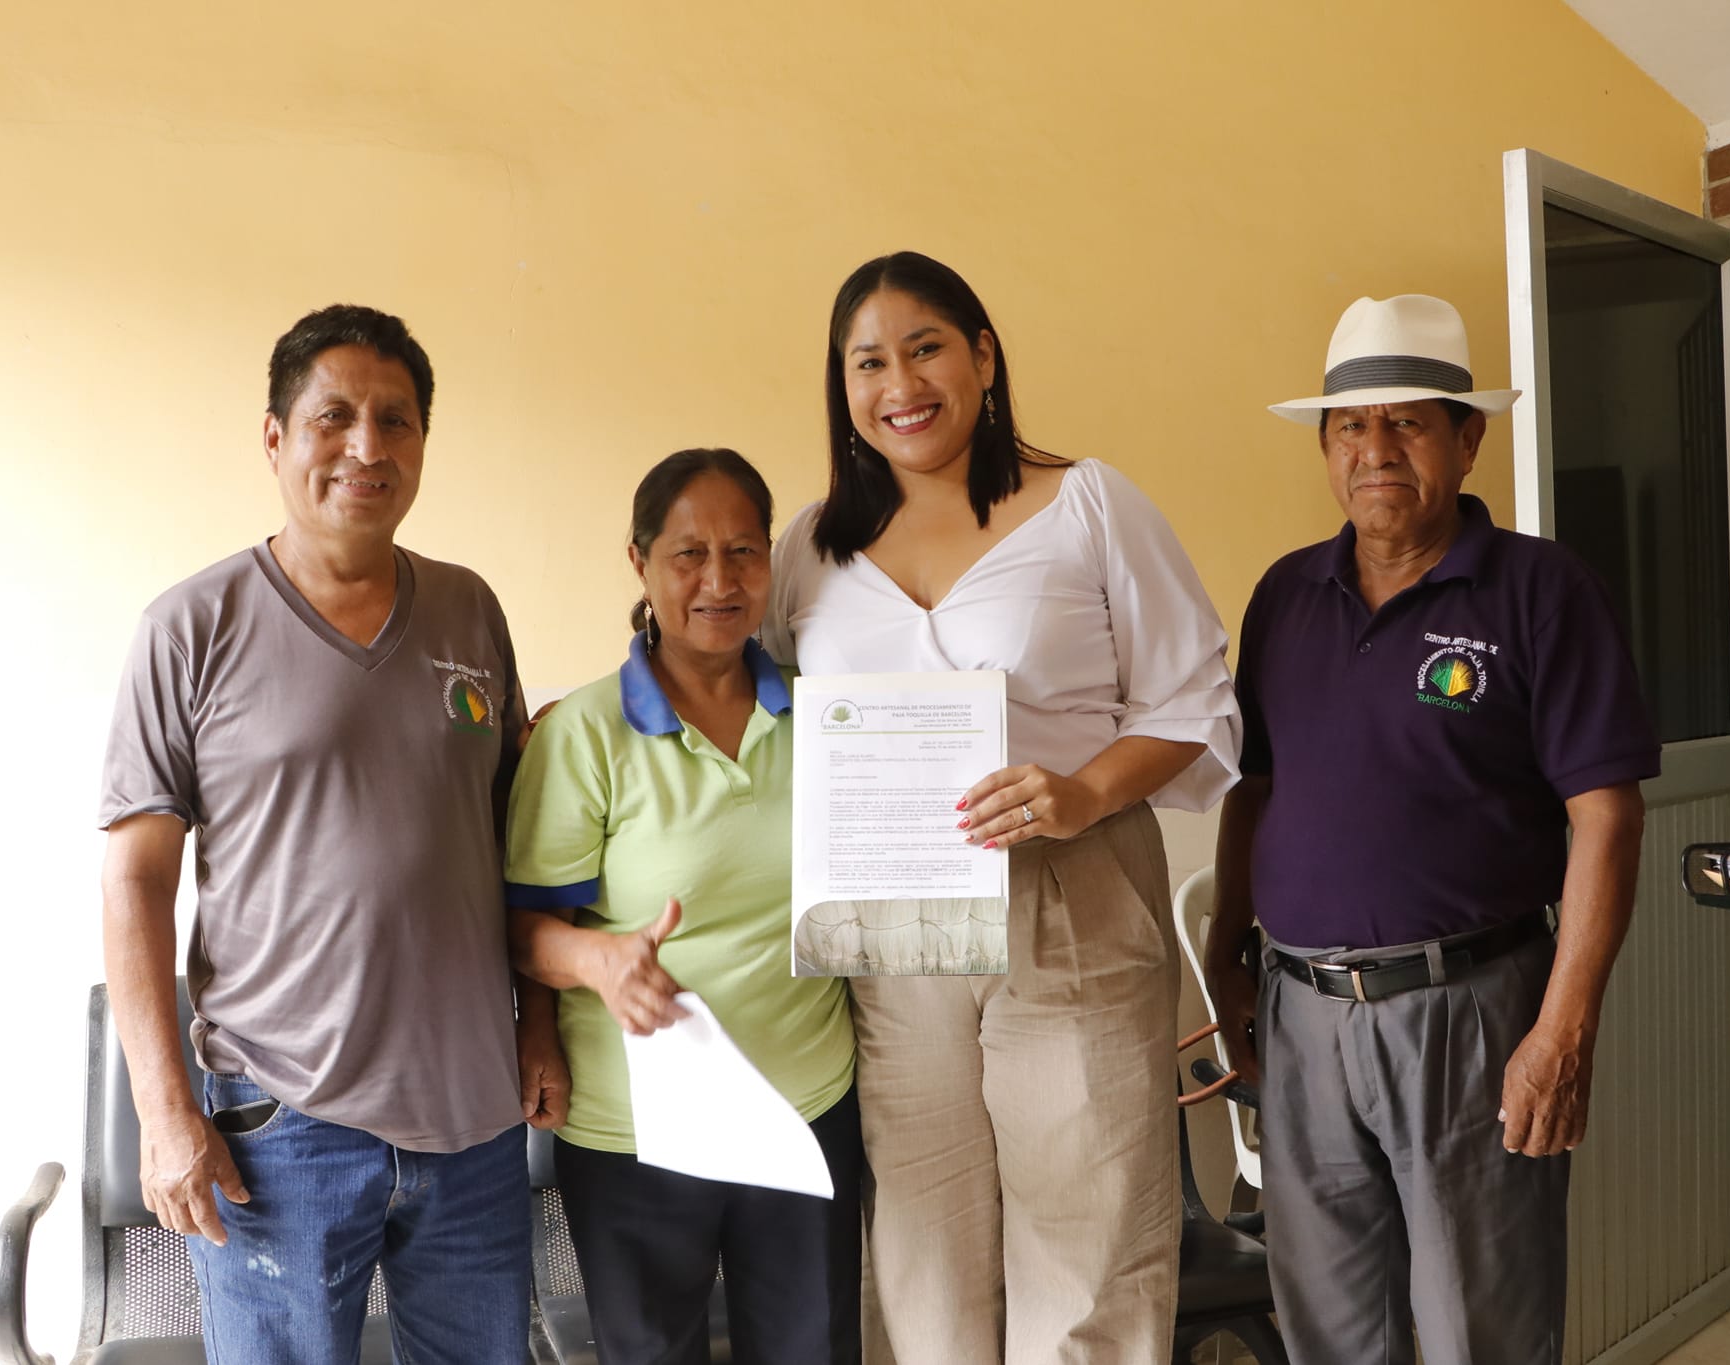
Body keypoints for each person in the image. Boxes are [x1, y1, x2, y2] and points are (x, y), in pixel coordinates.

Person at [765, 251, 1241, 1365]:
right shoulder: (811, 545)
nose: (900, 384)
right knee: (921, 1251)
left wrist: (1083, 793)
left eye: (925, 347)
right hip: (892, 928)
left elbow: (1193, 704)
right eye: (867, 362)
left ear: (982, 354)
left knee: (1088, 1247)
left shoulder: (1088, 504)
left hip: (1070, 894)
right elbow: (750, 706)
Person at [98, 303, 564, 1363]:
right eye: (334, 417)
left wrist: (538, 1024)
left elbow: (527, 845)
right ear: (275, 438)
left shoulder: (468, 609)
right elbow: (135, 884)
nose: (368, 446)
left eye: (396, 420)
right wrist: (166, 1113)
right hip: (280, 1130)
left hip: (473, 1121)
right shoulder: (191, 628)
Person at [1207, 294, 1657, 1365]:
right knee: (1330, 1330)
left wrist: (1563, 1029)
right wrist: (1226, 951)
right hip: (1302, 1014)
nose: (1375, 450)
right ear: (1325, 447)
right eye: (1350, 426)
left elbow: (1605, 815)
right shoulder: (1284, 595)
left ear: (1467, 440)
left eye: (1407, 422)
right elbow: (1253, 788)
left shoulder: (1542, 592)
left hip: (1471, 1013)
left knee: (1478, 1329)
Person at [505, 448, 861, 1365]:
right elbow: (525, 924)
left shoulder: (828, 716)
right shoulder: (583, 733)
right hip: (638, 1129)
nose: (719, 581)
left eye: (743, 552)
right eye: (689, 554)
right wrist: (596, 962)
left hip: (803, 1105)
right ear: (640, 562)